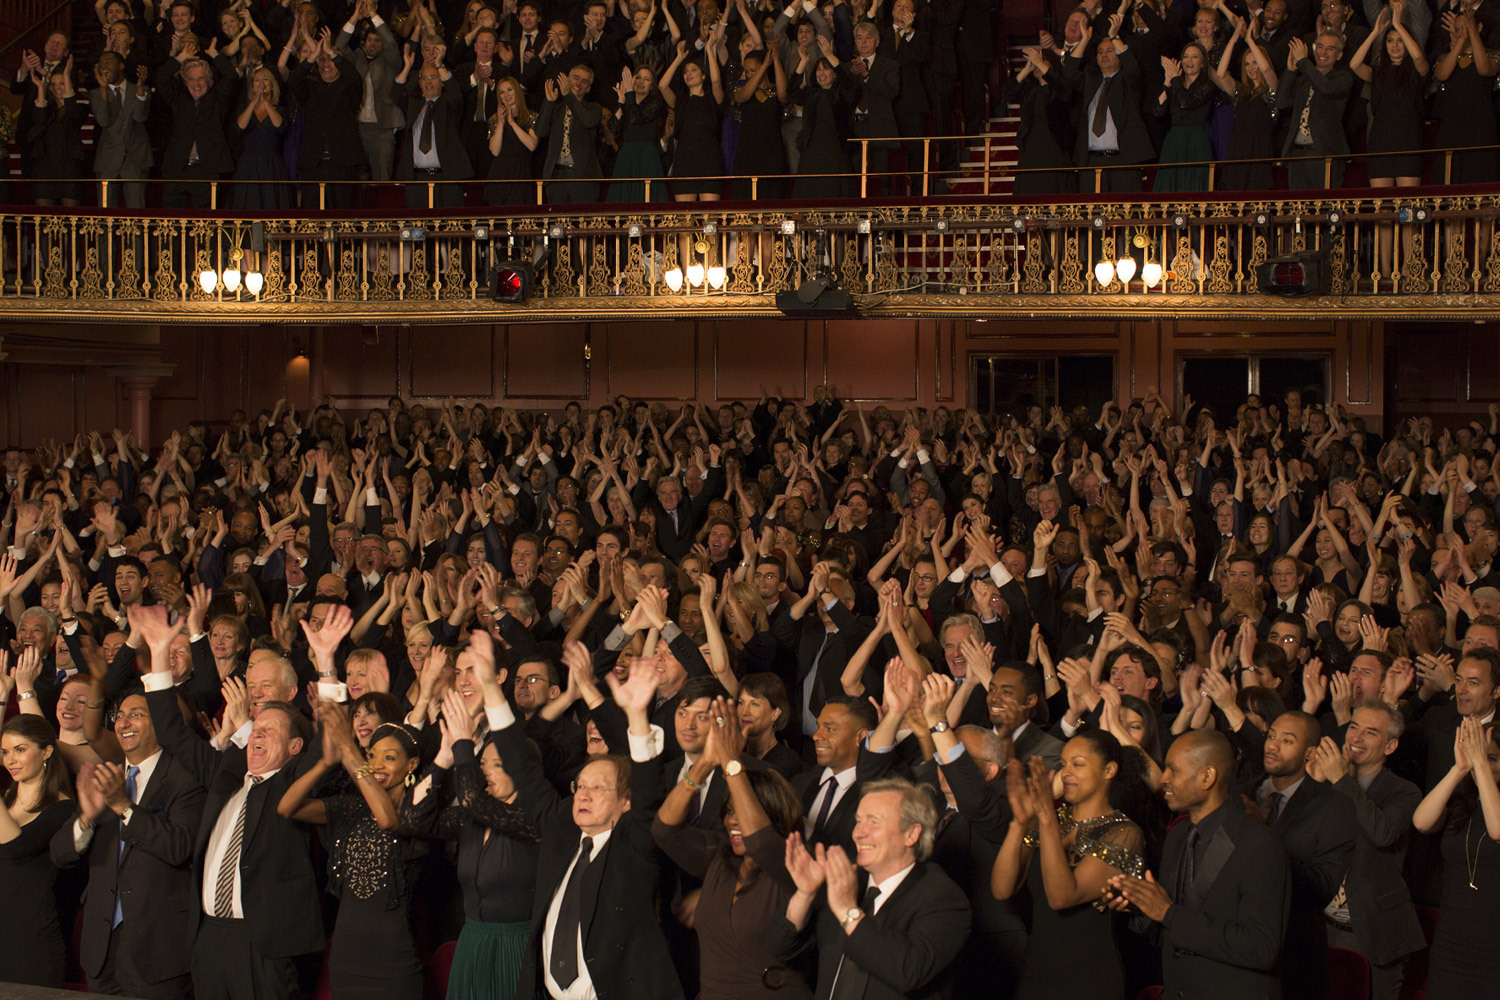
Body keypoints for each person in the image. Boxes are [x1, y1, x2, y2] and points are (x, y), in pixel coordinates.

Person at [132, 606, 324, 1000]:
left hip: (263, 944)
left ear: (295, 748)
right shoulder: (225, 773)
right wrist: (158, 650)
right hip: (208, 939)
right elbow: (170, 732)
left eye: (269, 728)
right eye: (256, 723)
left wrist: (327, 663)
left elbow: (330, 748)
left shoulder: (297, 783)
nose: (256, 730)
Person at [483, 629, 685, 1000]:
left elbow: (649, 792)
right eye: (580, 786)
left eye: (598, 788)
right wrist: (490, 688)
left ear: (625, 803)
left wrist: (637, 718)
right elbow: (521, 765)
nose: (583, 795)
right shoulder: (561, 829)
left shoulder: (637, 845)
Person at [1104, 731, 1290, 999]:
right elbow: (1169, 930)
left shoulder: (1260, 844)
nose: (1164, 779)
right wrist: (1140, 906)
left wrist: (1168, 913)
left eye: (1173, 770)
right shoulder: (1179, 836)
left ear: (1207, 777)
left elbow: (1261, 948)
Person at [652, 695, 812, 998]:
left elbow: (761, 842)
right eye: (728, 811)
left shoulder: (789, 862)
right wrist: (706, 764)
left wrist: (731, 762)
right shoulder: (720, 857)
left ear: (773, 813)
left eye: (742, 809)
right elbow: (664, 830)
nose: (732, 821)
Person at [49, 694, 206, 1000]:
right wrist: (87, 819)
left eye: (136, 714)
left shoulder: (186, 777)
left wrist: (123, 805)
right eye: (120, 715)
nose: (123, 722)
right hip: (101, 948)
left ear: (161, 723)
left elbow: (179, 846)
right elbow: (59, 854)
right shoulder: (106, 775)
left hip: (156, 948)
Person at [277, 698, 431, 1000]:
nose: (376, 765)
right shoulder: (352, 809)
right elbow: (287, 807)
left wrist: (351, 752)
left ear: (411, 765)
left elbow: (387, 819)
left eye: (389, 757)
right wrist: (324, 763)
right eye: (371, 756)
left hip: (393, 966)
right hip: (346, 962)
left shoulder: (418, 813)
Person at [769, 777, 973, 1000]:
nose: (858, 833)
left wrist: (849, 912)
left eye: (873, 822)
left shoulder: (943, 897)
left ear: (911, 834)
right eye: (858, 821)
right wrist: (805, 894)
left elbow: (908, 971)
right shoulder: (845, 882)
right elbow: (782, 949)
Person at [991, 730, 1147, 1000]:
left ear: (1109, 770)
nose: (1066, 772)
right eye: (1063, 764)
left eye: (1078, 764)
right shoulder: (1050, 819)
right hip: (1037, 969)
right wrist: (1019, 823)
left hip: (1089, 976)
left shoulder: (1124, 833)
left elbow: (1062, 897)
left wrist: (1046, 818)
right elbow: (1002, 889)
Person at [409, 689, 541, 1000]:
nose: (483, 771)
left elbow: (470, 798)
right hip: (472, 943)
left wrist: (463, 745)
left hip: (516, 948)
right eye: (482, 763)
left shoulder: (534, 818)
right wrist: (443, 759)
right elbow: (414, 819)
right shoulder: (473, 819)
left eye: (496, 764)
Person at [1306, 700, 1426, 1000]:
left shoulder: (1404, 791)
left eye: (1371, 733)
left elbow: (1382, 832)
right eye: (1354, 727)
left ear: (1390, 746)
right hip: (1321, 926)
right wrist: (1312, 786)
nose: (1356, 738)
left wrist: (1341, 780)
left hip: (1374, 933)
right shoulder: (1327, 782)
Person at [1250, 710, 1356, 1000]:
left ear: (1309, 753)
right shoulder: (1241, 795)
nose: (1273, 745)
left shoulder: (1333, 807)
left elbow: (1322, 887)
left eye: (1287, 740)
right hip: (1238, 955)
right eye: (1271, 736)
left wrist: (1263, 836)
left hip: (1294, 958)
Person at [1412, 716, 1500, 998]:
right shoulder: (1462, 806)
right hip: (1452, 943)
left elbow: (1497, 830)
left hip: (1494, 947)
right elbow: (1421, 822)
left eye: (1493, 759)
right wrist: (1460, 767)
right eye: (1479, 758)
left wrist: (1482, 764)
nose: (1482, 764)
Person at [0, 714, 76, 988]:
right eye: (5, 752)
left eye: (20, 750)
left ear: (46, 751)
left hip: (30, 943)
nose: (10, 760)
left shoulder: (63, 808)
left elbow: (15, 847)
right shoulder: (6, 799)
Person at [155, 46, 238, 209]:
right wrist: (180, 58)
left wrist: (215, 54)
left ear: (209, 80)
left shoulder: (218, 99)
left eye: (201, 79)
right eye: (191, 79)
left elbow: (231, 76)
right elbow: (160, 78)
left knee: (205, 222)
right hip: (177, 169)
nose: (196, 84)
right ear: (185, 82)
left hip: (206, 169)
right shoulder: (178, 99)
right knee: (173, 222)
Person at [335, 0, 407, 184]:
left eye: (377, 40)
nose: (373, 44)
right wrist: (354, 18)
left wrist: (374, 15)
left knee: (382, 180)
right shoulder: (356, 58)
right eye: (369, 40)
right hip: (358, 128)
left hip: (382, 129)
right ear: (364, 41)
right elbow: (339, 47)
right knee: (357, 180)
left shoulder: (391, 60)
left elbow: (391, 43)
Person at [393, 51, 474, 208]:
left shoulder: (449, 104)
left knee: (449, 227)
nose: (428, 81)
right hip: (416, 178)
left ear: (441, 81)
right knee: (417, 227)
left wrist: (439, 65)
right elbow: (395, 93)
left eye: (433, 77)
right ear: (419, 83)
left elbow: (456, 94)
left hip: (447, 177)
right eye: (424, 78)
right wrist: (408, 66)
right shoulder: (413, 105)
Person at [1277, 34, 1354, 189]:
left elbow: (1325, 88)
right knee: (1298, 207)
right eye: (1320, 46)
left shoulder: (1343, 78)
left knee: (1323, 206)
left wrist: (1304, 62)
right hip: (1297, 153)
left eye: (1330, 48)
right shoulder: (1304, 79)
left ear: (1339, 55)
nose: (1323, 52)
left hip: (1324, 153)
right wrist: (1291, 70)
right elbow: (1281, 102)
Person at [1432, 10, 1498, 185]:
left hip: (1481, 124)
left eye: (1466, 27)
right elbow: (1442, 75)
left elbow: (1484, 70)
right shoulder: (1445, 57)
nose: (1462, 31)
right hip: (1452, 125)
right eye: (1458, 28)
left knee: (1480, 172)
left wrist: (1472, 32)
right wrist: (1460, 40)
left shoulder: (1492, 54)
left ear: (1479, 27)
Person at [661, 40, 726, 201]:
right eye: (685, 71)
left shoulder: (712, 98)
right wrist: (678, 59)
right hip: (685, 160)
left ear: (703, 75)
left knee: (709, 217)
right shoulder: (681, 100)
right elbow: (662, 86)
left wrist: (710, 49)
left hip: (708, 159)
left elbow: (717, 81)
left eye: (693, 70)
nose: (688, 74)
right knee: (685, 216)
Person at [88, 53, 152, 208]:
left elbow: (139, 116)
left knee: (136, 216)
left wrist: (140, 87)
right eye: (101, 63)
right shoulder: (96, 93)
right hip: (108, 160)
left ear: (121, 65)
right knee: (106, 216)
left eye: (108, 62)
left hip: (135, 158)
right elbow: (103, 120)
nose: (104, 66)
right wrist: (103, 89)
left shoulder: (140, 89)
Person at [1153, 43, 1219, 192]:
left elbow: (1186, 102)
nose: (1189, 60)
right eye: (1186, 56)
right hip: (1174, 141)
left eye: (1195, 57)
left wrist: (1175, 78)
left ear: (1202, 63)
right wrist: (1167, 82)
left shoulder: (1207, 85)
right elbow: (1158, 111)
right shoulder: (1177, 84)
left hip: (1196, 141)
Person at [536, 64, 604, 204]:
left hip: (582, 177)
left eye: (584, 81)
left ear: (588, 88)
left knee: (582, 222)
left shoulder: (593, 108)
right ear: (567, 79)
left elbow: (586, 121)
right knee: (556, 224)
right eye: (575, 78)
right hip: (556, 176)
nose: (578, 83)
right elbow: (540, 131)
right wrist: (549, 102)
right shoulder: (557, 109)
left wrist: (567, 95)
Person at [1012, 46, 1074, 196]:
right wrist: (1027, 69)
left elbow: (1065, 90)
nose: (1037, 64)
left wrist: (1040, 63)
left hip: (1054, 148)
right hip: (1032, 149)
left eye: (1043, 61)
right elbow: (1009, 94)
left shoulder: (1059, 89)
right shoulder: (1030, 90)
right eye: (1035, 62)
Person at [25, 61, 88, 207]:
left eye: (62, 83)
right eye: (53, 84)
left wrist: (67, 76)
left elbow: (73, 113)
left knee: (71, 221)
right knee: (43, 221)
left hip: (69, 169)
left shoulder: (80, 108)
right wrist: (41, 87)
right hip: (45, 169)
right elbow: (39, 120)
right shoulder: (47, 109)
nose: (57, 88)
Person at [231, 67, 291, 209]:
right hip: (248, 167)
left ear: (271, 86)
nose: (261, 83)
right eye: (257, 80)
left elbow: (279, 126)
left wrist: (266, 103)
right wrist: (253, 103)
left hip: (272, 167)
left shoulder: (280, 110)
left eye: (265, 79)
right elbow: (240, 127)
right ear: (252, 86)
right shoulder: (243, 109)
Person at [607, 66, 669, 203]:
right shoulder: (627, 100)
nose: (641, 82)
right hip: (626, 155)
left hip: (647, 155)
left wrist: (629, 92)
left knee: (646, 199)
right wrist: (621, 101)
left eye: (646, 79)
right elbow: (613, 126)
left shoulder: (656, 103)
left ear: (652, 86)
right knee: (624, 201)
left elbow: (636, 118)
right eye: (638, 77)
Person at [483, 76, 539, 206]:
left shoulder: (531, 116)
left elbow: (532, 145)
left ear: (517, 91)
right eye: (502, 92)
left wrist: (512, 123)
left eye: (509, 90)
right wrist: (501, 123)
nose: (506, 95)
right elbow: (495, 151)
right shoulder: (495, 119)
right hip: (500, 173)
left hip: (521, 171)